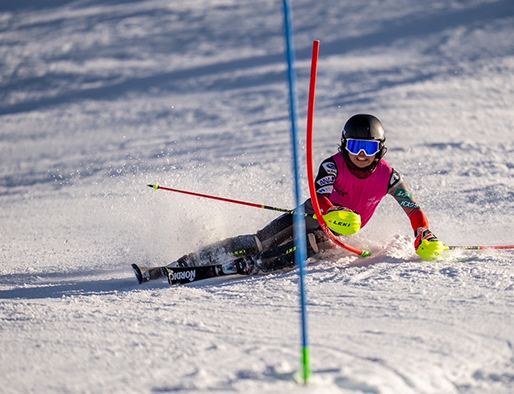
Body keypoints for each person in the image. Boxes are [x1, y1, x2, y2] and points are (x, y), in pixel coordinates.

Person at [133, 114, 445, 284]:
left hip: (334, 235)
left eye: (369, 148)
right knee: (259, 240)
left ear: (381, 149)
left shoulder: (389, 177)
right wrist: (333, 210)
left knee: (299, 249)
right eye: (354, 146)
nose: (361, 156)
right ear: (343, 145)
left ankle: (245, 267)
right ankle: (189, 261)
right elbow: (320, 197)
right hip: (315, 214)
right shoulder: (332, 164)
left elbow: (412, 207)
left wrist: (423, 232)